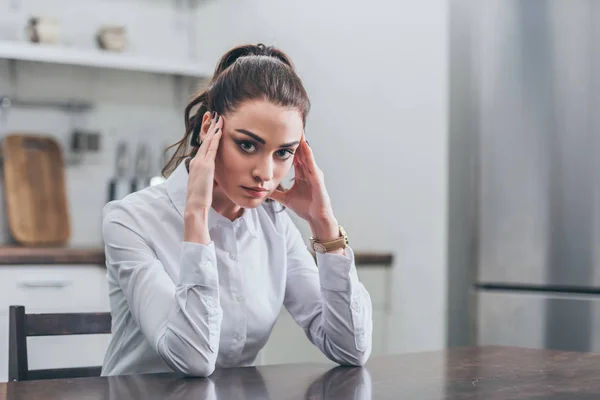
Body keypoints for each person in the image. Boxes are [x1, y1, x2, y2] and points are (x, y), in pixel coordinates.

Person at [100, 43, 373, 377]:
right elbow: (193, 359)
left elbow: (351, 348)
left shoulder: (274, 223)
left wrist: (324, 224)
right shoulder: (129, 221)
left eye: (283, 153)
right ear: (208, 130)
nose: (266, 173)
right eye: (248, 145)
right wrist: (196, 215)